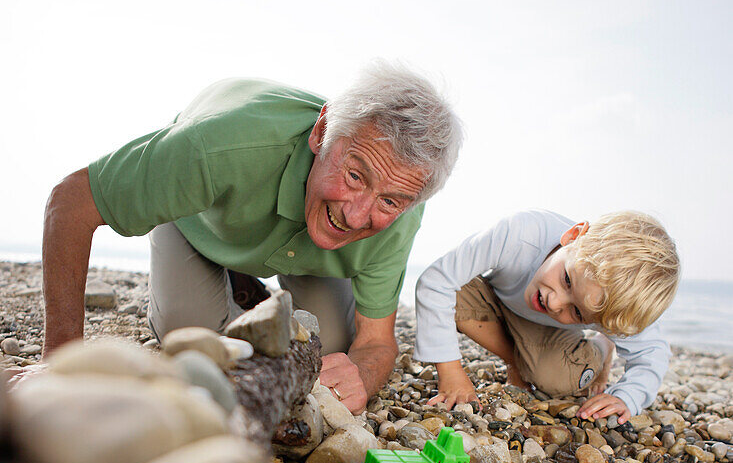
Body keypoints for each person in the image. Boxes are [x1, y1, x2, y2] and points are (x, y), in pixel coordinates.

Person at [42, 62, 462, 413]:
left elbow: (376, 341)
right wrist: (60, 360)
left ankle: (246, 287)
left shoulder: (402, 202)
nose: (357, 216)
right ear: (321, 133)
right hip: (202, 218)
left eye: (389, 201)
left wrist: (363, 377)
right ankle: (229, 275)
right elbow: (71, 203)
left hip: (306, 249)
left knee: (330, 348)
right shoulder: (219, 145)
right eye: (354, 175)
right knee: (192, 339)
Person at [414, 209, 680, 423]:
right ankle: (517, 360)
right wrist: (450, 370)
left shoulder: (608, 304)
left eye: (576, 311)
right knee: (450, 295)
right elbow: (437, 280)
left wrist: (628, 396)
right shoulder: (522, 233)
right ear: (573, 236)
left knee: (558, 380)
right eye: (566, 280)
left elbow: (652, 352)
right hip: (495, 299)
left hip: (545, 332)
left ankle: (602, 346)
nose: (554, 302)